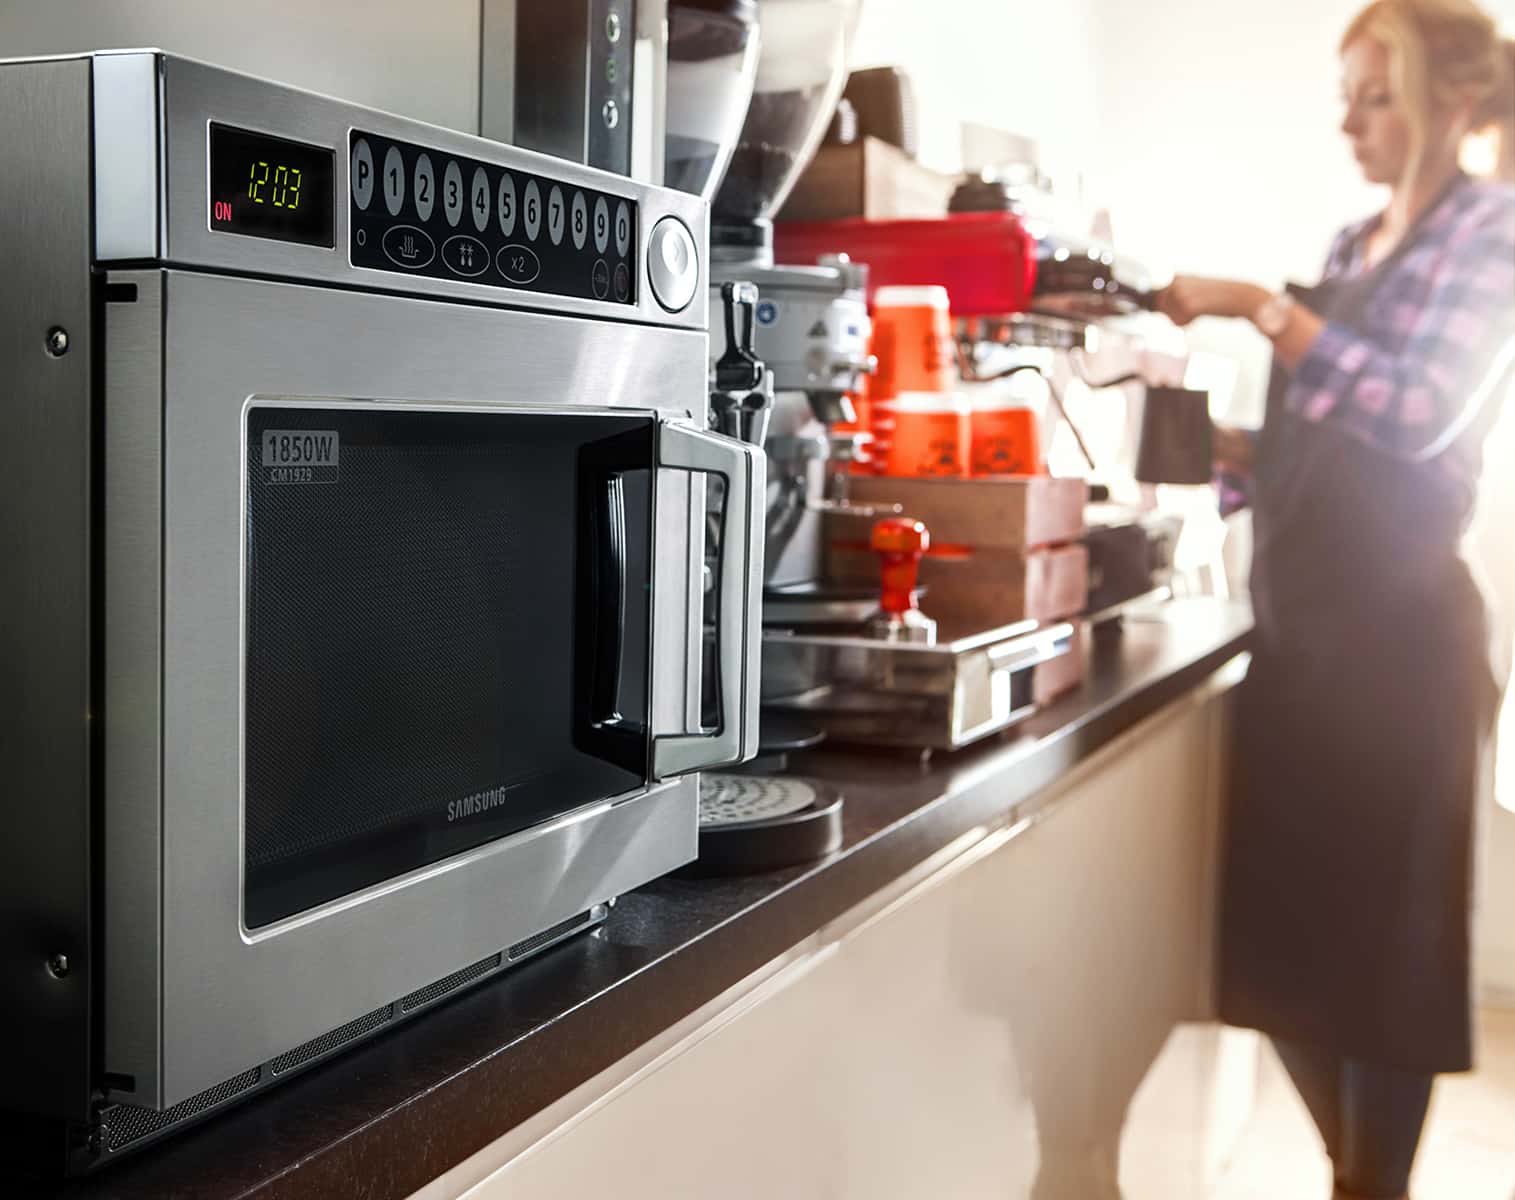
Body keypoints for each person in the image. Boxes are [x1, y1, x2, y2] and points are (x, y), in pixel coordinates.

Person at [1155, 2, 1515, 1197]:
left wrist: (1264, 306)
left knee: (1385, 970)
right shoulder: (1357, 243)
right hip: (1305, 647)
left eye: (1377, 94)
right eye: (1346, 95)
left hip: (1405, 655)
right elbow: (1322, 444)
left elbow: (1421, 416)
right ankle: (1356, 1174)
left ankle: (1374, 1184)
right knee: (1281, 950)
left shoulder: (1494, 233)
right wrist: (1197, 432)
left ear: (1452, 103)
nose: (1351, 121)